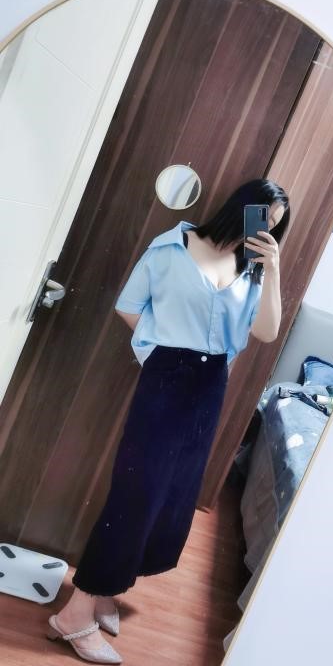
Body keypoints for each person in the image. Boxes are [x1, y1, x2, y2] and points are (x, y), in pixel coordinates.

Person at [46, 178, 290, 664]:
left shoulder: (252, 270)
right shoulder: (173, 246)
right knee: (135, 494)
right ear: (243, 207)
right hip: (167, 379)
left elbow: (266, 332)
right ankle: (73, 614)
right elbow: (128, 305)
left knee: (170, 497)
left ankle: (106, 589)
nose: (264, 230)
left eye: (275, 226)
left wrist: (274, 269)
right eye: (262, 217)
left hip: (210, 387)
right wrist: (161, 354)